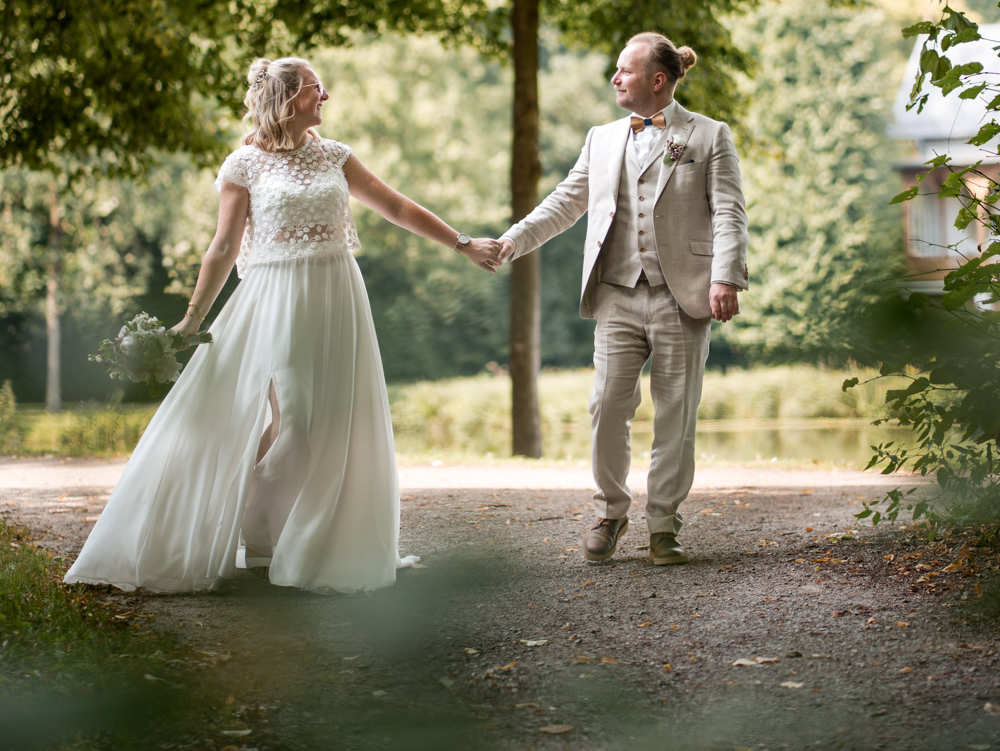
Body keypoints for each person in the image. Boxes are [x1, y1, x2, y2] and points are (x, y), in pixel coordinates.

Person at [65, 57, 500, 596]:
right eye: (319, 89)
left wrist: (462, 244)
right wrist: (192, 319)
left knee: (335, 418)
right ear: (290, 97)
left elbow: (395, 206)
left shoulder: (336, 155)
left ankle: (296, 542)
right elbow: (223, 247)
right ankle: (250, 520)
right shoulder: (243, 163)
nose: (326, 97)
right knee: (297, 418)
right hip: (275, 298)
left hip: (337, 292)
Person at [497, 32, 748, 566]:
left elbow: (729, 211)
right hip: (616, 294)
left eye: (624, 71)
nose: (615, 79)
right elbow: (566, 202)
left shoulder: (709, 136)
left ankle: (663, 525)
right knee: (606, 406)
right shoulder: (602, 138)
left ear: (657, 81)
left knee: (676, 414)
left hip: (684, 295)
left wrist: (725, 277)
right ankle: (611, 512)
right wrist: (512, 241)